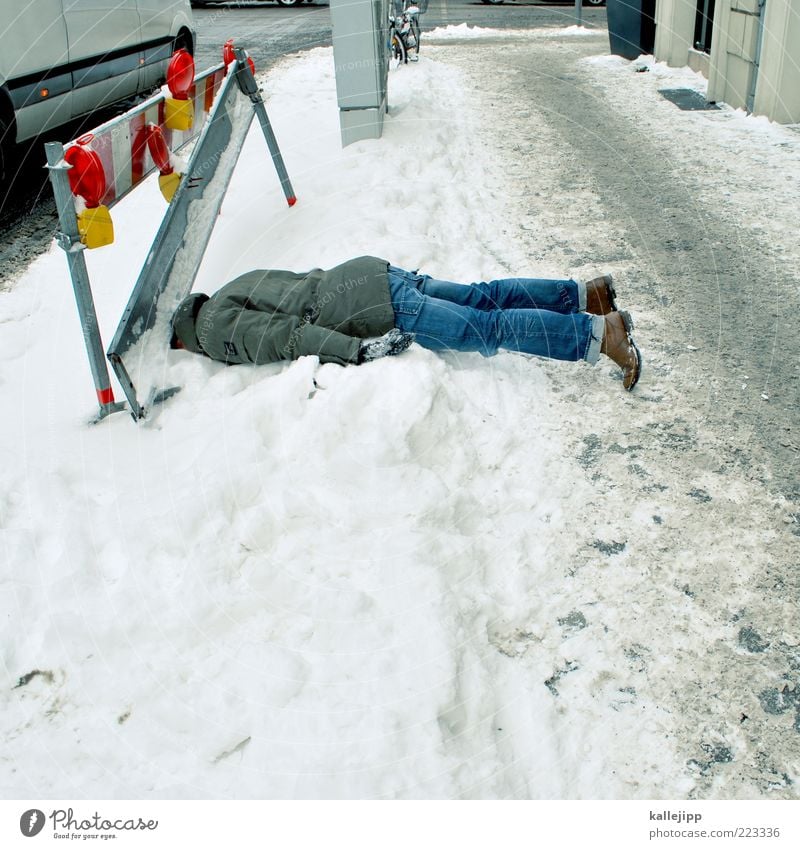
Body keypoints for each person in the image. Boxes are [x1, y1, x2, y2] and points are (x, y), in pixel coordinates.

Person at [171, 256, 641, 390]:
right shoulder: (233, 286)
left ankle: (600, 335)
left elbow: (291, 337)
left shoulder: (215, 334)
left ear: (182, 339)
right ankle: (588, 294)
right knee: (485, 297)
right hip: (372, 275)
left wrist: (355, 351)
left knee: (487, 328)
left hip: (381, 309)